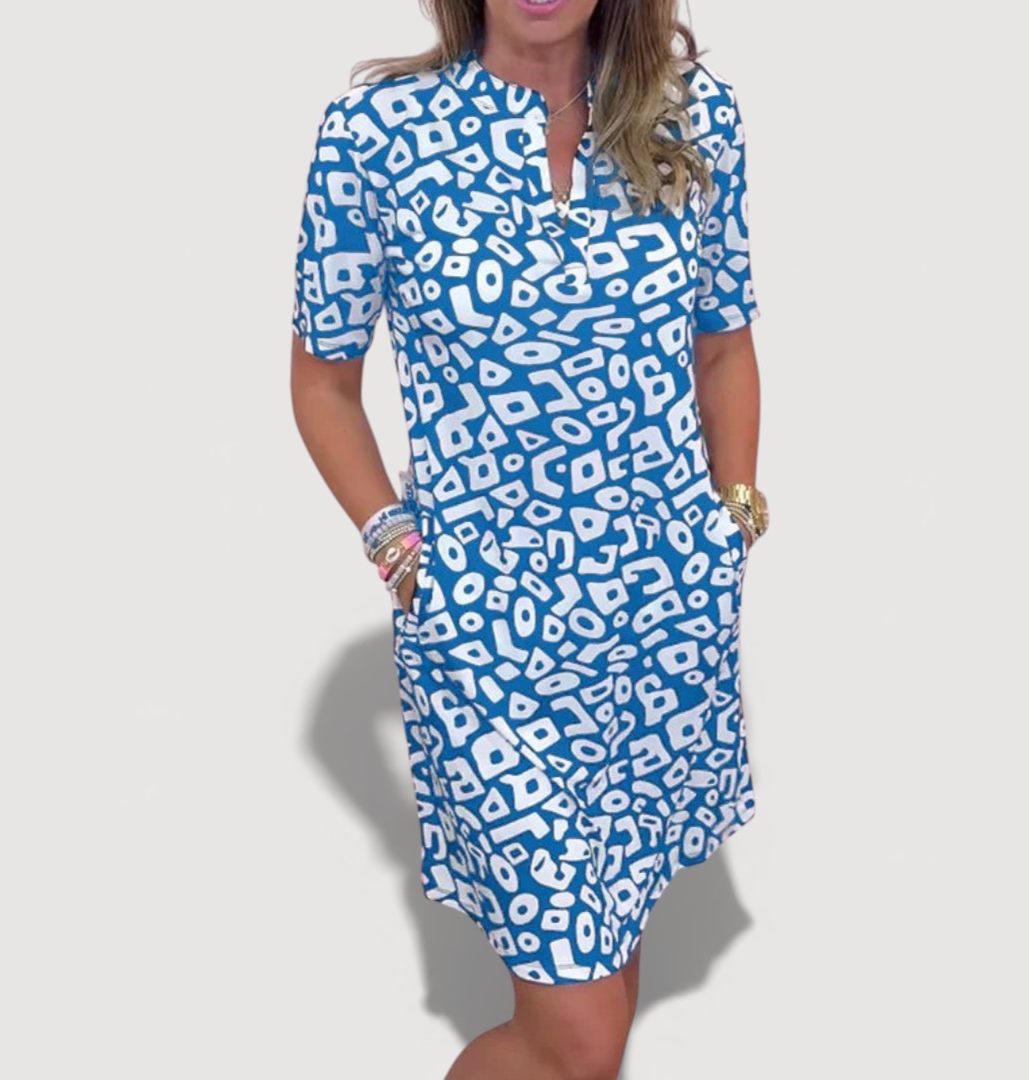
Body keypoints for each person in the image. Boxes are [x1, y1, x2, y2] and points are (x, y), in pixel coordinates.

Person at [289, 1, 770, 1076]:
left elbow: (724, 344)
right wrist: (399, 548)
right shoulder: (377, 137)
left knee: (610, 980)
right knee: (580, 1035)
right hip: (487, 645)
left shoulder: (693, 118)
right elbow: (322, 382)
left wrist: (730, 521)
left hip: (661, 632)